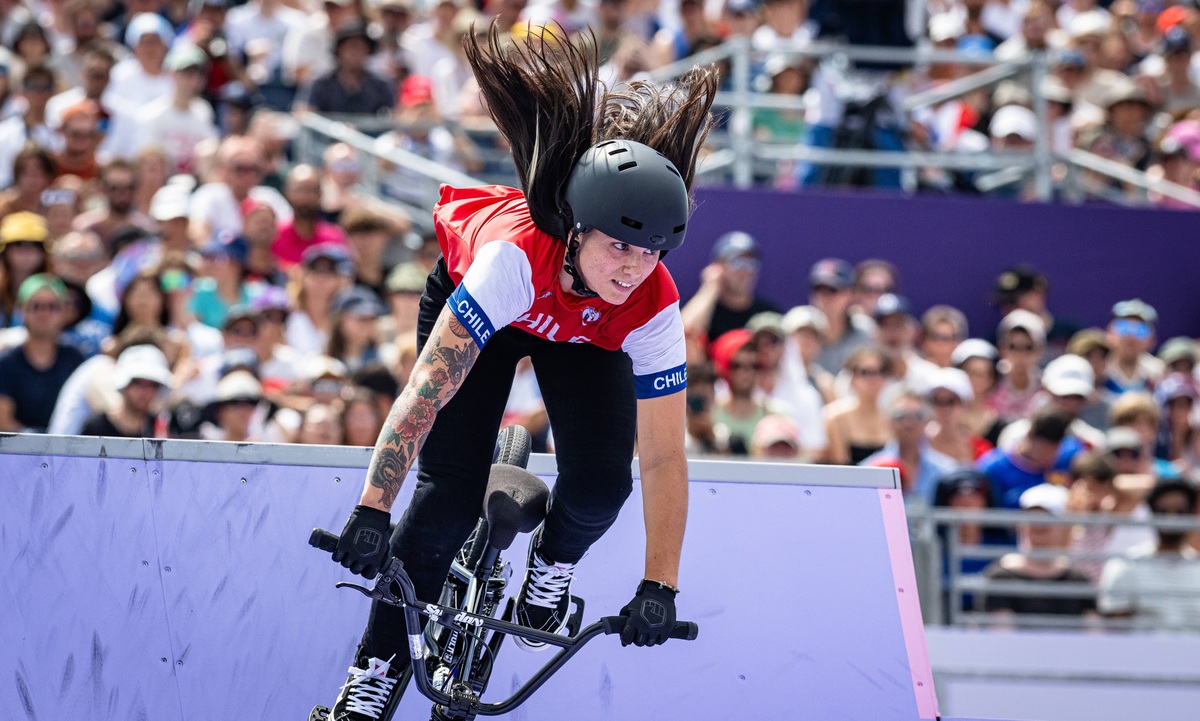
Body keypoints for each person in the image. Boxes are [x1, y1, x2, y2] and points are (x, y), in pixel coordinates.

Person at [324, 26, 717, 718]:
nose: (633, 267)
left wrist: (661, 584)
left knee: (601, 485)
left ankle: (550, 569)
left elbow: (661, 458)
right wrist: (371, 508)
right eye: (620, 245)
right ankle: (373, 668)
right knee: (447, 498)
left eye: (651, 252)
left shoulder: (652, 304)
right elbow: (425, 392)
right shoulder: (511, 262)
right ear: (576, 228)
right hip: (498, 309)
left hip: (584, 335)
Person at [981, 484, 1097, 622]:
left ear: (1063, 526)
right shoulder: (1000, 576)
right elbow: (1001, 634)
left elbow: (1094, 633)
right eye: (1032, 518)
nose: (1038, 526)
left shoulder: (1078, 579)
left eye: (1048, 519)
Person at [1098, 479, 1200, 631]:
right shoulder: (1126, 565)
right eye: (1163, 512)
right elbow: (1115, 632)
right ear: (1151, 513)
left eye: (1180, 511)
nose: (1172, 519)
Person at [0, 274, 85, 431]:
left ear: (66, 311)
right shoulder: (5, 363)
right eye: (35, 306)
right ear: (21, 310)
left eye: (52, 306)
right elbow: (3, 422)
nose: (44, 313)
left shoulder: (75, 358)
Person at [862, 391, 961, 507]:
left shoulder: (947, 470)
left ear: (927, 421)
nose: (909, 423)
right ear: (888, 422)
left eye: (917, 416)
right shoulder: (870, 469)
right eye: (900, 416)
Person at [679, 230, 777, 342]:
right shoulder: (706, 310)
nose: (746, 270)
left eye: (752, 262)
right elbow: (684, 335)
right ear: (718, 267)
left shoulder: (767, 313)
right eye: (737, 262)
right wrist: (709, 288)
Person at [977, 408, 1077, 509]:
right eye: (1043, 449)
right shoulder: (991, 468)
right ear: (1029, 435)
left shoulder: (1065, 463)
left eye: (1055, 449)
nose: (1049, 455)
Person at [821, 345, 894, 465]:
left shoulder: (892, 418)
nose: (873, 379)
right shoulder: (835, 417)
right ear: (852, 377)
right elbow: (840, 466)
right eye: (865, 372)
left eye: (880, 371)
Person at [79, 344, 172, 437]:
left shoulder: (161, 428)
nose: (145, 391)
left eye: (153, 384)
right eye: (137, 382)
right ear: (124, 384)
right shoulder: (96, 427)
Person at [809, 258, 872, 375]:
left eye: (833, 290)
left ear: (851, 294)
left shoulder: (866, 332)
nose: (824, 297)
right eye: (819, 289)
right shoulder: (799, 332)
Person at [927, 367, 993, 464]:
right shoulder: (918, 445)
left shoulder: (982, 449)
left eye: (951, 401)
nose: (944, 408)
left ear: (965, 404)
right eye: (937, 401)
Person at [1103, 299, 1162, 397]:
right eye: (1123, 327)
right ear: (1109, 333)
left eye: (1141, 330)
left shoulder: (1158, 372)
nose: (1131, 337)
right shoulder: (1098, 370)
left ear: (1153, 339)